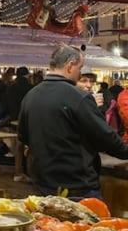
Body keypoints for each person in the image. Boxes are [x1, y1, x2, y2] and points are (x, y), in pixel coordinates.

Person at [19, 44, 128, 198]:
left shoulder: (30, 96)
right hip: (77, 186)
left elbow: (24, 137)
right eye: (80, 68)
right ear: (70, 66)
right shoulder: (79, 97)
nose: (80, 73)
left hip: (42, 184)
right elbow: (104, 137)